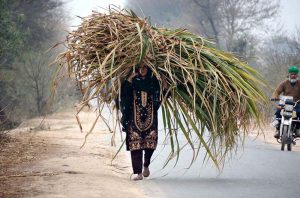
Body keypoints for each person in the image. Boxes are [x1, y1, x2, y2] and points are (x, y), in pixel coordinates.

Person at [120, 62, 166, 180]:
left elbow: (162, 94)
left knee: (150, 143)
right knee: (135, 144)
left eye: (145, 67)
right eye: (139, 67)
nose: (142, 70)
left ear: (149, 68)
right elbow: (124, 95)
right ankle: (138, 173)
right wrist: (129, 80)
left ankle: (146, 165)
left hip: (150, 118)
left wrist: (165, 85)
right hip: (133, 117)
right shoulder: (133, 81)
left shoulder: (153, 81)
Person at [272, 66, 300, 138]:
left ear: (297, 75)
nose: (293, 76)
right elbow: (277, 91)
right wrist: (275, 97)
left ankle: (298, 129)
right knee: (278, 113)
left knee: (299, 113)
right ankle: (277, 129)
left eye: (295, 74)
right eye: (292, 74)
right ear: (289, 75)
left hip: (296, 104)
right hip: (285, 103)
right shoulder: (284, 83)